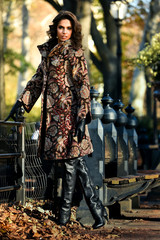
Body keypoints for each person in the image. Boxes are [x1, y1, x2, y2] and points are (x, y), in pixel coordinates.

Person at [5, 10, 108, 229]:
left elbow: (83, 86)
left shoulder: (76, 53)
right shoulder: (48, 52)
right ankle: (98, 212)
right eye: (61, 27)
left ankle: (64, 216)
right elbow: (37, 80)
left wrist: (82, 117)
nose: (64, 32)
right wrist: (21, 102)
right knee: (75, 163)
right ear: (55, 28)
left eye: (68, 28)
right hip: (53, 117)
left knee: (71, 163)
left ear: (73, 30)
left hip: (70, 116)